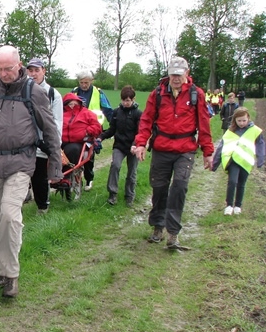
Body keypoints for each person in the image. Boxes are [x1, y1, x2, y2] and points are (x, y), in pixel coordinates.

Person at [0, 46, 62, 298]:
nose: (4, 74)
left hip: (21, 162)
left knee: (10, 215)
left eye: (9, 68)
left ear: (19, 65)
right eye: (0, 68)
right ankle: (1, 268)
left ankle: (11, 275)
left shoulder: (34, 92)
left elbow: (50, 130)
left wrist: (55, 164)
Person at [132, 56, 214, 250]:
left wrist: (208, 151)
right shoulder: (157, 94)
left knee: (179, 187)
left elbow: (204, 123)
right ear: (168, 74)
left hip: (185, 150)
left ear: (187, 73)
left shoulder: (196, 94)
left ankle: (173, 233)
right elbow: (146, 120)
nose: (176, 78)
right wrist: (141, 143)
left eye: (179, 74)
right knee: (159, 188)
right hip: (161, 149)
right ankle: (157, 226)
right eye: (173, 74)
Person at [26, 58, 63, 214]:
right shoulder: (23, 90)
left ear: (43, 71)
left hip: (42, 142)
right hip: (25, 140)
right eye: (31, 71)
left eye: (37, 70)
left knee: (39, 175)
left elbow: (56, 121)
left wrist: (54, 144)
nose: (34, 74)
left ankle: (42, 206)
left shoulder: (53, 94)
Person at [213, 107, 264, 215]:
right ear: (235, 120)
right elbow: (221, 146)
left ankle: (238, 206)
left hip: (246, 161)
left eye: (244, 120)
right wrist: (215, 163)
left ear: (248, 119)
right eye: (239, 120)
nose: (241, 123)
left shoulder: (255, 130)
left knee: (241, 183)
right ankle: (229, 205)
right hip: (233, 160)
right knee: (232, 182)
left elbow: (260, 145)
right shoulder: (230, 131)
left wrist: (261, 159)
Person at [99, 86, 142, 207]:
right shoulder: (116, 112)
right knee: (115, 166)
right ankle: (112, 194)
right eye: (124, 100)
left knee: (132, 171)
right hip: (119, 146)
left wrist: (135, 145)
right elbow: (112, 129)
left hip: (133, 147)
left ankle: (129, 195)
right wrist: (101, 137)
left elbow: (140, 133)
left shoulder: (138, 114)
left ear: (133, 99)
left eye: (128, 100)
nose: (126, 102)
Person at [72, 70, 113, 191]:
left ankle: (89, 179)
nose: (84, 85)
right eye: (82, 82)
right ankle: (75, 179)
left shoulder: (98, 93)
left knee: (88, 156)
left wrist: (114, 126)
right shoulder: (74, 92)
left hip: (93, 130)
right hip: (76, 129)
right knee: (75, 155)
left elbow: (108, 110)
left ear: (91, 81)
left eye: (86, 82)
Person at [60, 92, 102, 196]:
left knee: (72, 150)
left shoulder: (86, 113)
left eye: (74, 104)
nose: (72, 106)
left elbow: (97, 127)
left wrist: (87, 132)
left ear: (79, 103)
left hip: (78, 142)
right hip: (61, 140)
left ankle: (66, 177)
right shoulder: (60, 113)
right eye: (69, 104)